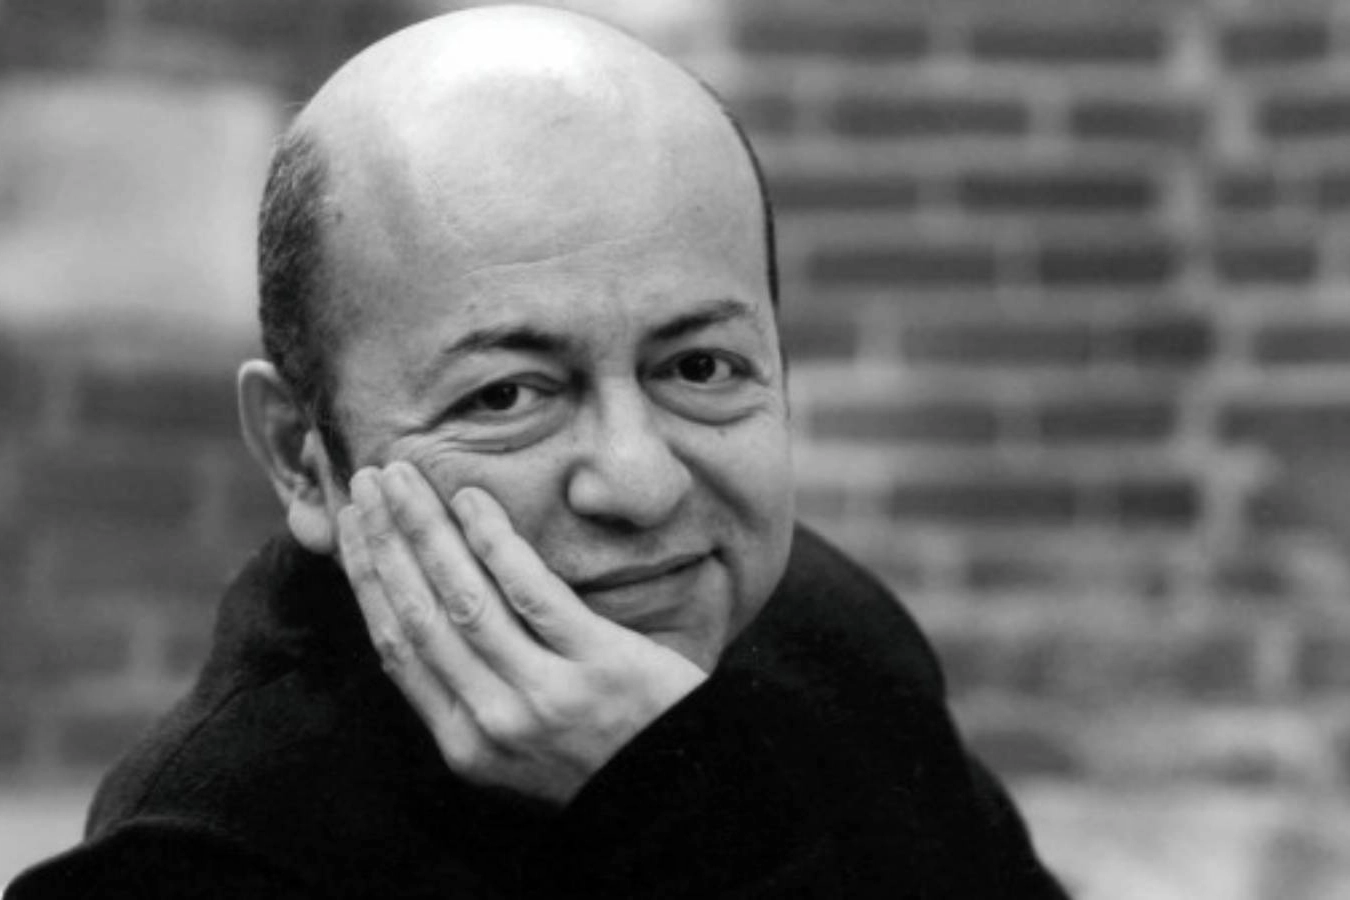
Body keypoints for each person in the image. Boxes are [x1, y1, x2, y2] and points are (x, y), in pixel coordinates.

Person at [8, 6, 1068, 898]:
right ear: (302, 456)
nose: (640, 484)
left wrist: (678, 792)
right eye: (507, 395)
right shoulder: (199, 864)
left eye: (698, 367)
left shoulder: (825, 631)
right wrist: (677, 812)